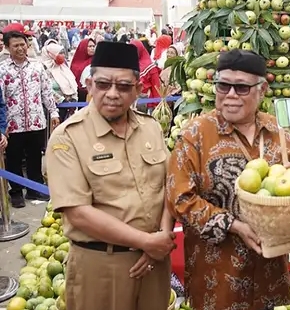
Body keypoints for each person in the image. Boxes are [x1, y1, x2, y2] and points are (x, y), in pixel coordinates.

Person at [45, 41, 176, 310]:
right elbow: (77, 212)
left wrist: (161, 238)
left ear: (138, 90)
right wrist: (147, 242)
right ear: (90, 85)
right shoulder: (68, 137)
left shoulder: (150, 128)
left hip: (154, 262)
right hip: (102, 265)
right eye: (103, 84)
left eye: (123, 86)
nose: (112, 94)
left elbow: (168, 186)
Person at [166, 49, 290, 310]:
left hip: (267, 268)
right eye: (223, 85)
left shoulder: (277, 133)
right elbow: (179, 199)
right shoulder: (196, 135)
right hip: (216, 273)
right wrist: (235, 226)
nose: (230, 95)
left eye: (241, 88)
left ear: (261, 90)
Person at [0, 23, 60, 208]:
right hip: (13, 123)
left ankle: (35, 188)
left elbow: (46, 92)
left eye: (23, 44)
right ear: (8, 47)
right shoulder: (2, 69)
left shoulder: (37, 66)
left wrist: (54, 112)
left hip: (36, 122)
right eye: (15, 45)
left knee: (35, 156)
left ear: (28, 44)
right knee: (14, 159)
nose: (20, 48)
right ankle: (16, 191)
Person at [41, 41, 79, 121]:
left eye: (63, 53)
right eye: (59, 53)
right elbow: (46, 89)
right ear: (51, 54)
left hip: (68, 107)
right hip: (52, 109)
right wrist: (62, 100)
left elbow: (72, 84)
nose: (63, 56)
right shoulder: (43, 69)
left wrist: (73, 99)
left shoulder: (63, 67)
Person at [130, 39, 161, 111]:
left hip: (146, 104)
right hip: (131, 103)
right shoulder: (129, 64)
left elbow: (156, 88)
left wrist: (157, 105)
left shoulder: (150, 67)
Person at [70, 38, 97, 102]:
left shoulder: (97, 61)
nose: (92, 48)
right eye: (90, 46)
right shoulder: (76, 63)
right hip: (81, 95)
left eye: (94, 46)